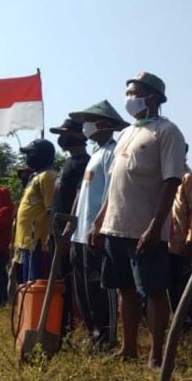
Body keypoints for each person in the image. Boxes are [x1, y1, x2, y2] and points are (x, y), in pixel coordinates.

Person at [90, 72, 185, 366]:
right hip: (115, 227)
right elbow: (113, 183)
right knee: (124, 290)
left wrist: (155, 227)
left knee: (154, 291)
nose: (129, 98)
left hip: (145, 229)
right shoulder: (127, 133)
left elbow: (171, 181)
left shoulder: (167, 132)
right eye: (128, 92)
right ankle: (128, 348)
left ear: (153, 96)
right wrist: (98, 222)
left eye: (135, 92)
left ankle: (156, 354)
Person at [69, 100, 128, 346]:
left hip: (97, 230)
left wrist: (99, 225)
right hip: (79, 233)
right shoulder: (95, 154)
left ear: (104, 123)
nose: (86, 126)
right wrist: (70, 226)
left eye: (89, 121)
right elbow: (82, 195)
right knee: (84, 288)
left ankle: (106, 337)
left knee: (101, 287)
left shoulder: (113, 151)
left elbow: (112, 193)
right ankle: (92, 333)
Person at [49, 118, 89, 330]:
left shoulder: (85, 163)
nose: (62, 138)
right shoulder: (67, 163)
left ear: (79, 135)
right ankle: (62, 325)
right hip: (58, 234)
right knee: (60, 282)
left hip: (71, 236)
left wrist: (67, 233)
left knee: (73, 284)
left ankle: (77, 326)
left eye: (66, 133)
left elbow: (78, 200)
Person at [14, 139, 57, 284]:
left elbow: (52, 210)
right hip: (27, 241)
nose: (28, 158)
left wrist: (51, 236)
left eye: (30, 154)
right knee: (27, 285)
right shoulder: (35, 176)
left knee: (37, 284)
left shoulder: (48, 176)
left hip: (39, 241)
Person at [168, 144, 192, 318]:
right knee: (172, 289)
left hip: (182, 244)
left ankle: (191, 326)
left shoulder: (188, 178)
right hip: (166, 244)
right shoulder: (165, 178)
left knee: (185, 289)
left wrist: (191, 240)